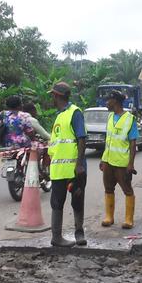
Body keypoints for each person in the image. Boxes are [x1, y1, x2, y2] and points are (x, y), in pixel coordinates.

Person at [47, 82, 87, 247]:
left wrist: (79, 164)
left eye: (52, 95)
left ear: (57, 95)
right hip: (58, 170)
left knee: (77, 201)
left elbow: (81, 139)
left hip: (74, 170)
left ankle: (79, 233)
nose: (52, 98)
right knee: (57, 203)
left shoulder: (74, 113)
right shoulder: (58, 116)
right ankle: (56, 237)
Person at [99, 90, 137, 229]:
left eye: (108, 100)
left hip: (122, 163)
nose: (106, 103)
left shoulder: (129, 119)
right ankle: (109, 217)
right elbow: (108, 141)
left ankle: (128, 219)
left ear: (115, 101)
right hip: (108, 161)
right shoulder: (110, 117)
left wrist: (130, 164)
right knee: (108, 188)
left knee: (127, 189)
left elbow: (133, 143)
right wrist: (103, 159)